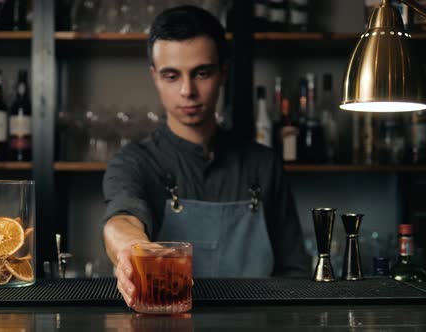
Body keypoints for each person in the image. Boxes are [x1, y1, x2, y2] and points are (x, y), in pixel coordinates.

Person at [102, 5, 310, 307]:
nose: (188, 91)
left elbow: (295, 273)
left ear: (223, 72)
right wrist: (135, 251)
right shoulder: (133, 162)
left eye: (202, 73)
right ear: (155, 77)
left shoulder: (264, 165)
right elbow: (120, 220)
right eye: (171, 76)